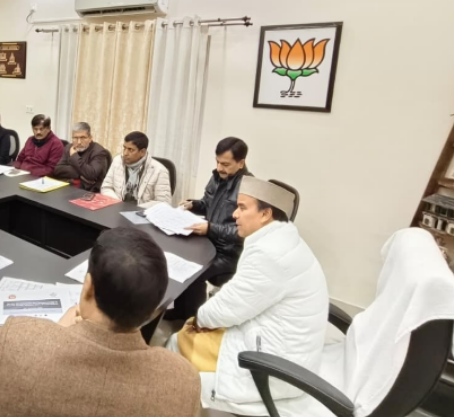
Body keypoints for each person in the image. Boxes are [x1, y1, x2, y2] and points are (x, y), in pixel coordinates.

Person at [0, 227, 201, 417]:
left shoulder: (17, 339)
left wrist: (56, 332)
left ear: (87, 288)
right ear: (153, 310)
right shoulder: (182, 381)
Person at [167, 176, 328, 417]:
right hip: (284, 344)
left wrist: (200, 319)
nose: (234, 215)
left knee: (178, 340)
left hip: (274, 363)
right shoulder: (283, 238)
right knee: (196, 326)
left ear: (265, 214)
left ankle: (171, 401)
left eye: (242, 208)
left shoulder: (269, 254)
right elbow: (239, 297)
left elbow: (226, 309)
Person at [165, 137, 252, 321]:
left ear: (241, 163)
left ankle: (193, 317)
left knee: (191, 271)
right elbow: (207, 204)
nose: (219, 168)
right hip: (208, 242)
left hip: (229, 253)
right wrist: (193, 204)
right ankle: (181, 310)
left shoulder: (249, 190)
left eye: (225, 164)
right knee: (175, 256)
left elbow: (242, 232)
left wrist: (210, 229)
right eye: (217, 162)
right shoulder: (217, 177)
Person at [100, 131, 171, 207]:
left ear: (142, 152)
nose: (125, 153)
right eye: (124, 148)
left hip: (142, 211)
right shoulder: (117, 161)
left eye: (130, 150)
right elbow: (106, 187)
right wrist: (117, 203)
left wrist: (138, 208)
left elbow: (164, 202)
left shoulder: (159, 171)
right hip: (117, 207)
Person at [52, 122, 111, 192]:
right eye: (75, 138)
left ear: (90, 138)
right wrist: (81, 174)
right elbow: (57, 170)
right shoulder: (68, 148)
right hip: (69, 186)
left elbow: (91, 174)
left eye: (83, 138)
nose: (79, 142)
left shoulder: (99, 151)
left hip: (89, 191)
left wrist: (74, 156)